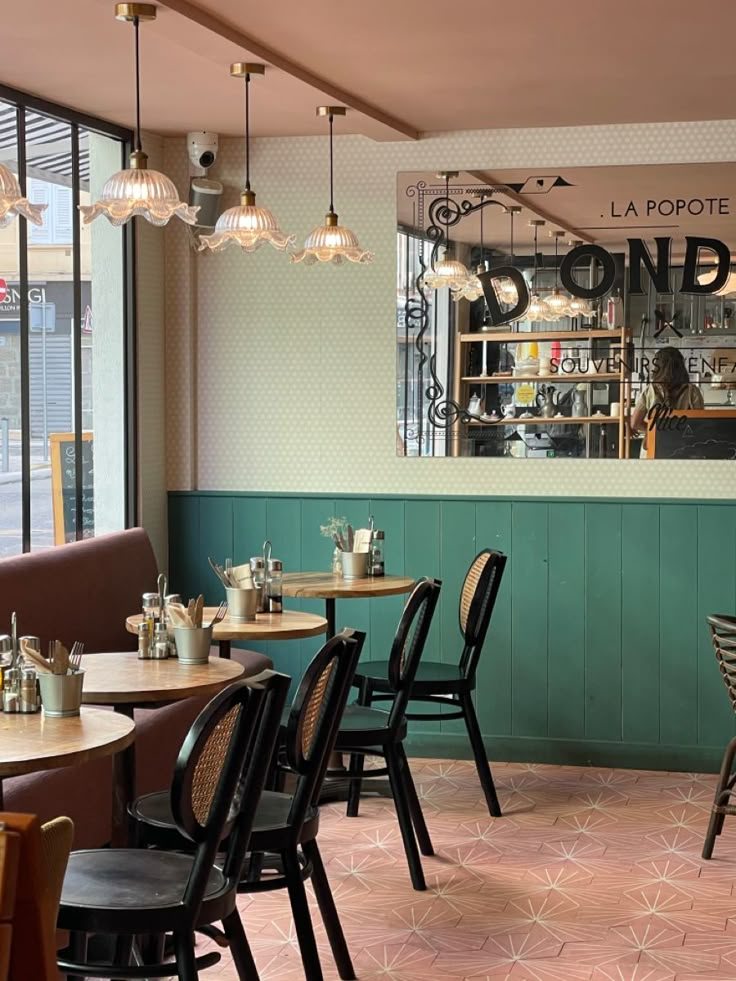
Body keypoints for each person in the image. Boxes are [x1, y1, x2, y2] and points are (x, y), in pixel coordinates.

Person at [631, 346, 704, 458]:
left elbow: (635, 423)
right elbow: (700, 424)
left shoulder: (649, 390)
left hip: (653, 446)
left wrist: (656, 430)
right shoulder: (692, 391)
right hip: (682, 447)